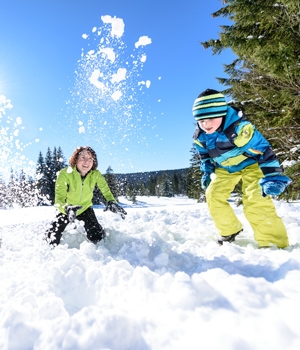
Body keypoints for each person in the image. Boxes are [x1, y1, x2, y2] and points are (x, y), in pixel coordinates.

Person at [192, 89, 291, 248]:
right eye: (201, 120)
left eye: (210, 118)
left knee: (255, 199)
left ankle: (274, 243)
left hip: (251, 164)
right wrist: (208, 172)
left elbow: (264, 149)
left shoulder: (239, 129)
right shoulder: (201, 137)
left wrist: (272, 175)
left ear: (222, 113)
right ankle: (229, 230)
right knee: (213, 194)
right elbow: (206, 157)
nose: (206, 124)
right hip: (226, 168)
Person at [45, 146, 126, 246]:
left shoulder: (95, 174)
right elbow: (59, 199)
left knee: (97, 237)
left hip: (85, 208)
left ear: (93, 162)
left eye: (90, 159)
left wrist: (111, 201)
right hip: (67, 209)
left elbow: (105, 190)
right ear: (75, 159)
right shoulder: (65, 173)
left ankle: (100, 231)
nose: (86, 162)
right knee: (51, 238)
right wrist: (66, 208)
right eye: (82, 157)